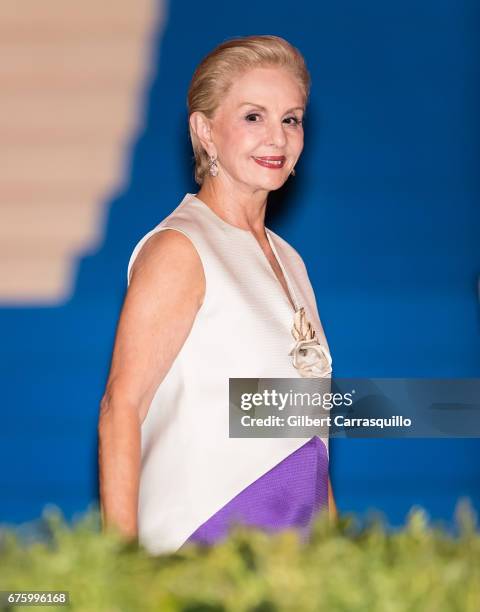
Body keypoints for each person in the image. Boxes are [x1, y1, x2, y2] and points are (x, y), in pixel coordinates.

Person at [98, 34, 337, 556]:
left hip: (294, 558)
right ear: (204, 130)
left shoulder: (291, 260)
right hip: (204, 549)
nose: (277, 137)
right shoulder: (180, 248)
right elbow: (122, 407)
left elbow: (310, 435)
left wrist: (334, 556)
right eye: (254, 116)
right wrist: (121, 571)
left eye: (291, 119)